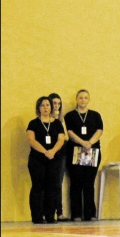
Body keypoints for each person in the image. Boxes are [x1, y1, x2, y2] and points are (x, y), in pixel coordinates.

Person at [64, 89, 104, 221]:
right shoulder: (70, 116)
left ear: (89, 100)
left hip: (92, 151)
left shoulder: (95, 115)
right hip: (75, 151)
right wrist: (82, 142)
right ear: (76, 99)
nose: (83, 100)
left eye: (85, 98)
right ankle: (76, 213)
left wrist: (90, 142)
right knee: (76, 183)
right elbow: (69, 132)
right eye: (80, 97)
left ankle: (90, 213)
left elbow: (99, 130)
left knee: (89, 182)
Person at [26, 96, 66, 224]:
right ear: (38, 108)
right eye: (42, 105)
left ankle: (50, 216)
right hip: (37, 159)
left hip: (54, 159)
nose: (45, 108)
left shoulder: (57, 123)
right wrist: (45, 152)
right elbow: (31, 140)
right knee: (38, 187)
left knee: (53, 187)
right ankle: (37, 216)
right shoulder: (33, 123)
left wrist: (53, 151)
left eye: (48, 105)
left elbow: (61, 139)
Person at [48, 93, 69, 222]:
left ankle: (59, 212)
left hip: (60, 153)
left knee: (58, 183)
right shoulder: (44, 119)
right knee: (47, 184)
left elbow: (65, 136)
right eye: (54, 103)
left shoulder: (61, 120)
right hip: (47, 152)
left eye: (58, 103)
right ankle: (47, 212)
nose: (56, 106)